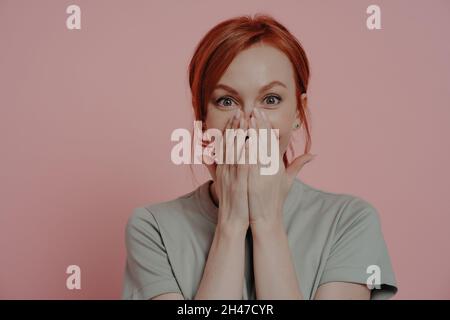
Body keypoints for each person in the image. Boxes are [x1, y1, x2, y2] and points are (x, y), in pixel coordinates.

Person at [121, 14, 398, 300]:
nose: (250, 122)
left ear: (298, 114)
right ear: (202, 116)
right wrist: (231, 220)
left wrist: (267, 221)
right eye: (226, 101)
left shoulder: (349, 222)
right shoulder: (152, 229)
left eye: (271, 99)